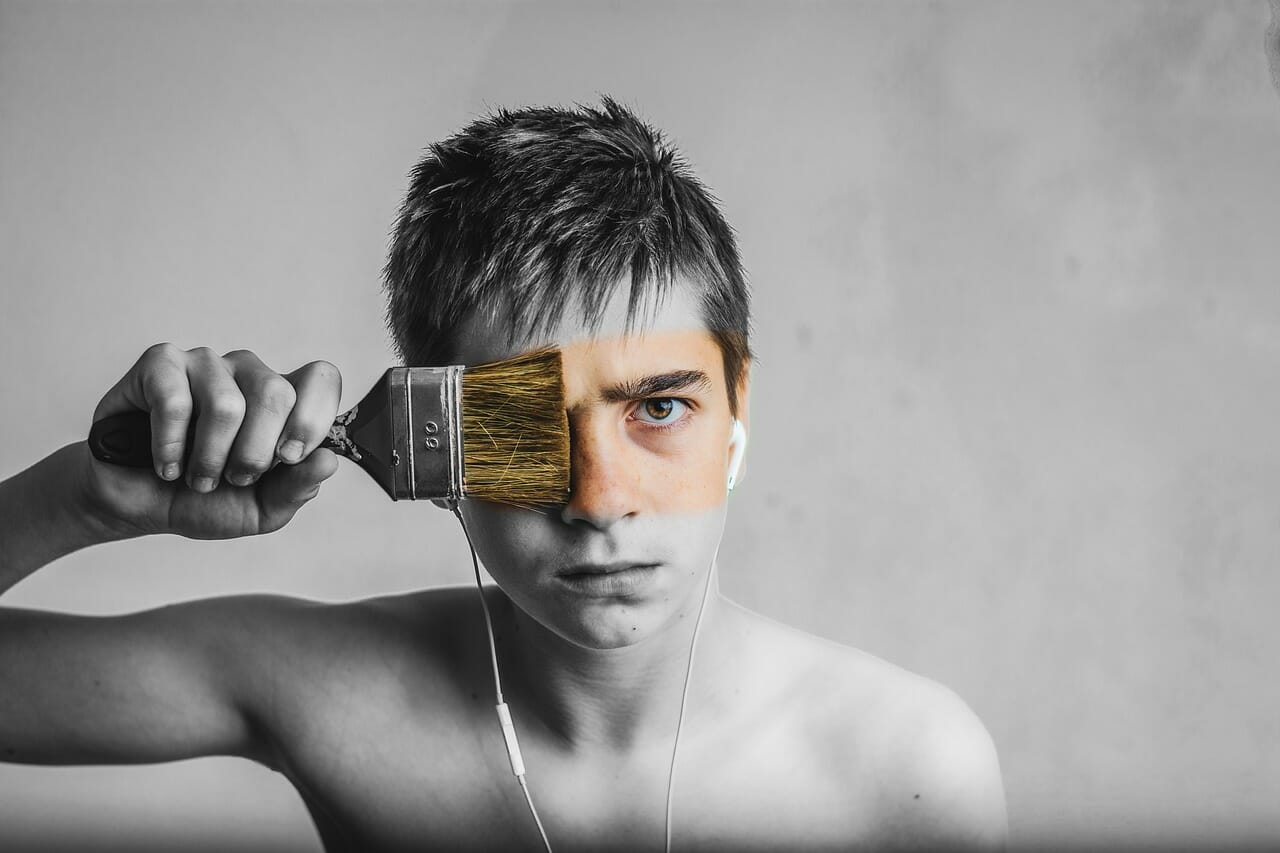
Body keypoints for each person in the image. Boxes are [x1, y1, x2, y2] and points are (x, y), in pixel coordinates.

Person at [0, 98, 1008, 851]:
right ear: (439, 448)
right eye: (521, 425)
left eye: (659, 407)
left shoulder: (907, 769)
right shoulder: (324, 690)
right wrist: (83, 501)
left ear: (735, 411)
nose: (600, 500)